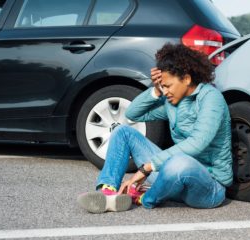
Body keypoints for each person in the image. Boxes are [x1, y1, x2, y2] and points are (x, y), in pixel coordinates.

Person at [77, 43, 233, 213]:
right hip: (171, 179)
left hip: (208, 187)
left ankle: (145, 197)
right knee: (122, 132)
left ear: (186, 79)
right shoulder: (172, 103)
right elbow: (132, 113)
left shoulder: (211, 98)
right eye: (163, 87)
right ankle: (108, 193)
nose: (166, 91)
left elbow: (198, 143)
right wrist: (156, 90)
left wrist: (147, 168)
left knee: (179, 162)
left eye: (168, 86)